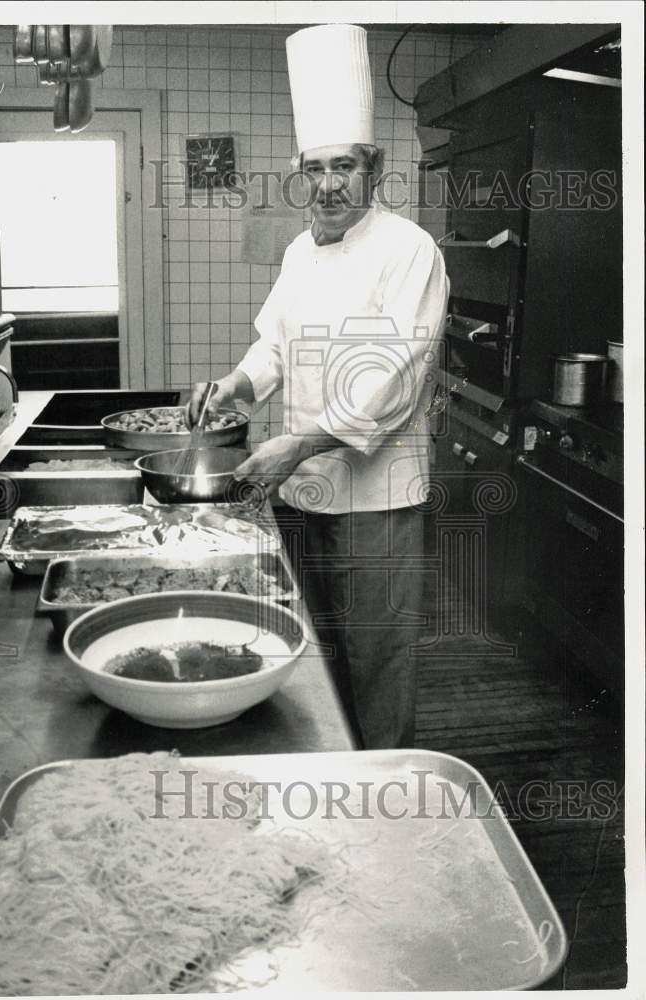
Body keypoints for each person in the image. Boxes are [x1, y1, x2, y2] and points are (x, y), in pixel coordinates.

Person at [188, 24, 449, 749]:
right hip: (302, 488)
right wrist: (236, 383)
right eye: (316, 169)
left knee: (376, 657)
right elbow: (275, 343)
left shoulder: (409, 250)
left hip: (376, 494)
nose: (329, 185)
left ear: (374, 167)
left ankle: (384, 792)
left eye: (344, 167)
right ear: (300, 172)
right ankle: (327, 776)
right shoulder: (302, 249)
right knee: (314, 646)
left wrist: (293, 446)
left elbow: (389, 383)